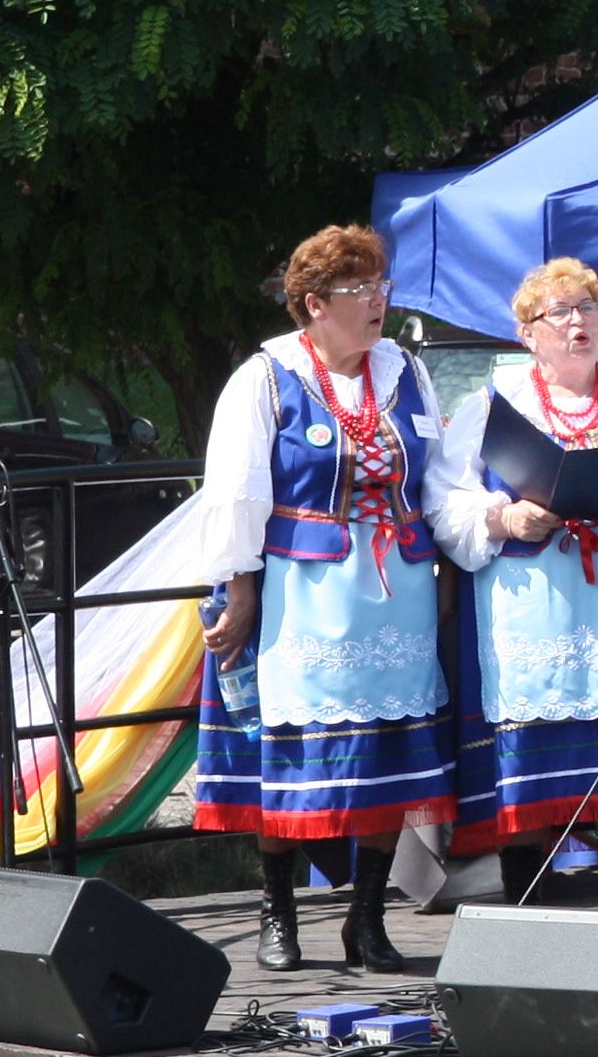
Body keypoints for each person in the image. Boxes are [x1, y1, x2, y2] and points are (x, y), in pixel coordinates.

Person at [191, 228, 452, 970]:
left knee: (386, 762)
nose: (378, 302)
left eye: (381, 286)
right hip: (301, 597)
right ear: (312, 305)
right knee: (289, 757)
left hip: (394, 593)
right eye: (359, 290)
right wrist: (239, 588)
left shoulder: (406, 374)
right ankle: (279, 915)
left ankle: (366, 920)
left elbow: (437, 481)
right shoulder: (266, 378)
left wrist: (449, 575)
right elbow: (237, 490)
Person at [424, 257, 598, 912]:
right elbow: (443, 498)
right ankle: (527, 908)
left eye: (588, 308)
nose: (579, 322)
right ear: (528, 331)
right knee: (529, 755)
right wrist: (502, 516)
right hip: (534, 610)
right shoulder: (491, 405)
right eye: (562, 311)